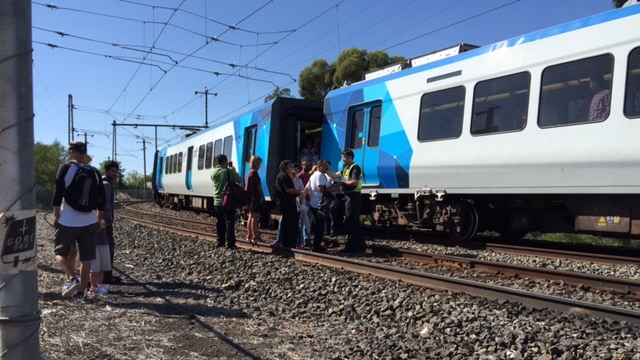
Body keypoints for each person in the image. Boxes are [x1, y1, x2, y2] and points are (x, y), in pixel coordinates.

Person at [52, 141, 106, 299]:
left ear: (72, 153)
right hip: (89, 221)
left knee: (60, 252)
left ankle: (72, 278)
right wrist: (98, 220)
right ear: (84, 153)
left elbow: (57, 194)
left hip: (68, 220)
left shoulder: (66, 168)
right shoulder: (95, 172)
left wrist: (57, 216)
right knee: (86, 258)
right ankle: (81, 293)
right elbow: (102, 200)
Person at [307, 160, 340, 253]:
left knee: (319, 226)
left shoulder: (313, 175)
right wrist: (332, 189)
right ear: (320, 166)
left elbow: (308, 188)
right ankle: (317, 247)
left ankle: (316, 245)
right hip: (319, 204)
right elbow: (320, 188)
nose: (327, 169)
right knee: (320, 227)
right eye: (325, 167)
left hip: (314, 202)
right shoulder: (319, 175)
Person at [211, 154, 242, 249]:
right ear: (225, 162)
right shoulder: (228, 172)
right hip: (227, 201)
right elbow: (239, 179)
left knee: (220, 222)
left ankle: (220, 242)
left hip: (216, 201)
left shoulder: (214, 172)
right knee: (229, 222)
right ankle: (230, 243)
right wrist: (234, 171)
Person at [338, 149, 365, 252]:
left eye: (344, 158)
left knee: (351, 220)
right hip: (350, 197)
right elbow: (337, 175)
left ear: (350, 157)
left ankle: (352, 245)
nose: (343, 160)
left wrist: (342, 183)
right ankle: (360, 242)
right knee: (354, 220)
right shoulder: (346, 168)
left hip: (354, 196)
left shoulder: (355, 168)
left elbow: (354, 182)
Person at [272, 160, 302, 248]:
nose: (292, 168)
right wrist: (299, 192)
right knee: (290, 222)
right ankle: (289, 242)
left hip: (286, 201)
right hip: (287, 202)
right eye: (290, 166)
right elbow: (288, 189)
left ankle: (286, 242)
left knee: (286, 222)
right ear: (286, 167)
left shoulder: (283, 175)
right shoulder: (284, 176)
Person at [102, 160, 122, 284]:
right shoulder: (106, 184)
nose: (115, 173)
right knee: (108, 247)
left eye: (116, 171)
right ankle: (107, 276)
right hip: (105, 221)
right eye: (113, 171)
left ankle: (106, 275)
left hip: (104, 220)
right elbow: (103, 204)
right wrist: (115, 205)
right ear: (107, 171)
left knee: (107, 247)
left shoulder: (106, 183)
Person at [89, 214, 111, 296]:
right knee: (94, 267)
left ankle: (99, 284)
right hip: (91, 242)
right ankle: (93, 287)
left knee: (102, 266)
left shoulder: (103, 213)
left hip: (103, 240)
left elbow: (109, 222)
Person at [245, 155, 265, 244]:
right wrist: (263, 195)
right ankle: (255, 236)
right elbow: (258, 186)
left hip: (249, 198)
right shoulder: (254, 173)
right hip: (255, 198)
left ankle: (249, 235)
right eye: (260, 163)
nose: (260, 165)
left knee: (250, 216)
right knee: (255, 217)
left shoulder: (249, 173)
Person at [292, 163, 311, 248]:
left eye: (308, 165)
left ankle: (306, 239)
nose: (307, 166)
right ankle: (303, 240)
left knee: (308, 221)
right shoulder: (300, 176)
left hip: (308, 200)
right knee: (302, 222)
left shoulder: (310, 176)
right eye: (305, 165)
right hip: (303, 201)